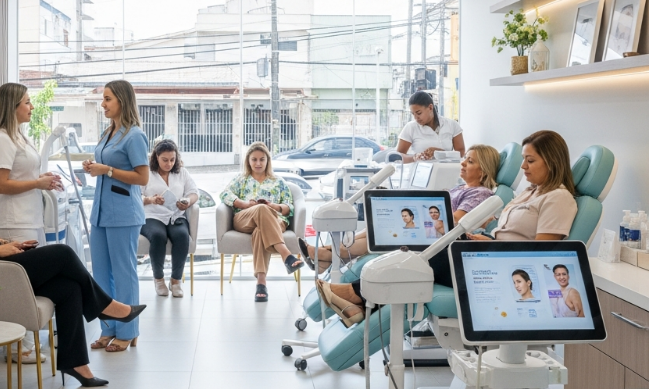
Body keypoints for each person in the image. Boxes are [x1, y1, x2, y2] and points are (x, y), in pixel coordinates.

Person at [0, 148, 146, 387]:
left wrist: (7, 244)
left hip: (0, 262)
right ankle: (106, 306)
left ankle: (75, 363)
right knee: (63, 253)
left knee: (69, 288)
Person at [318, 130, 580, 327]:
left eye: (530, 161)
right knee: (424, 245)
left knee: (427, 247)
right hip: (491, 254)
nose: (523, 167)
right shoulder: (529, 193)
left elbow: (541, 254)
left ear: (552, 161)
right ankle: (358, 301)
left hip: (504, 269)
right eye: (523, 160)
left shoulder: (558, 198)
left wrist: (491, 245)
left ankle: (354, 295)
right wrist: (486, 235)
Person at [300, 144, 500, 275]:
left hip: (439, 238)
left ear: (483, 170)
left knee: (381, 235)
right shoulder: (460, 188)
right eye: (465, 158)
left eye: (470, 161)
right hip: (430, 231)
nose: (463, 163)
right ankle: (329, 254)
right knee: (376, 226)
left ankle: (331, 254)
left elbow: (453, 222)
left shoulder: (480, 193)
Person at [0, 82, 63, 364]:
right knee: (23, 283)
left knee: (33, 281)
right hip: (13, 222)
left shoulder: (19, 136)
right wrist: (37, 182)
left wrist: (44, 180)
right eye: (27, 102)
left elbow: (24, 175)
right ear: (12, 106)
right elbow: (0, 184)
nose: (31, 107)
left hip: (29, 218)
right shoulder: (2, 140)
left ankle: (28, 343)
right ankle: (21, 347)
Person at [83, 80, 149, 352]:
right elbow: (105, 167)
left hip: (123, 214)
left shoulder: (134, 136)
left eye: (108, 99)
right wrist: (94, 167)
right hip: (100, 213)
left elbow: (142, 177)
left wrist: (107, 170)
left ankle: (129, 330)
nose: (103, 104)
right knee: (100, 274)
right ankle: (107, 327)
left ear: (122, 100)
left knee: (123, 273)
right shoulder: (108, 132)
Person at [220, 142, 303, 302]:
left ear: (267, 161)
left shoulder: (278, 182)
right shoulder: (241, 180)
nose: (258, 163)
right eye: (254, 159)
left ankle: (261, 284)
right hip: (245, 219)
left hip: (275, 221)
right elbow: (224, 195)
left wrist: (273, 206)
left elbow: (289, 208)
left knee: (261, 227)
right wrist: (244, 204)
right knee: (260, 209)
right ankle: (286, 255)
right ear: (248, 161)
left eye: (262, 159)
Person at [140, 139, 198, 297]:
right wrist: (151, 199)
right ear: (156, 157)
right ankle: (159, 279)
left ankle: (176, 281)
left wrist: (186, 202)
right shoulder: (147, 173)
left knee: (181, 236)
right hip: (152, 215)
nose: (169, 163)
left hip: (175, 214)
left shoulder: (182, 173)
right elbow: (135, 196)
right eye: (165, 160)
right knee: (158, 236)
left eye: (172, 160)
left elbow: (194, 192)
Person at [396, 91, 465, 163]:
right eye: (413, 114)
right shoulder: (411, 127)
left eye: (419, 113)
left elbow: (461, 153)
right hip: (421, 172)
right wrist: (414, 157)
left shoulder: (452, 125)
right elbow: (398, 156)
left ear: (430, 107)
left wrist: (440, 153)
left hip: (446, 171)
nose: (416, 118)